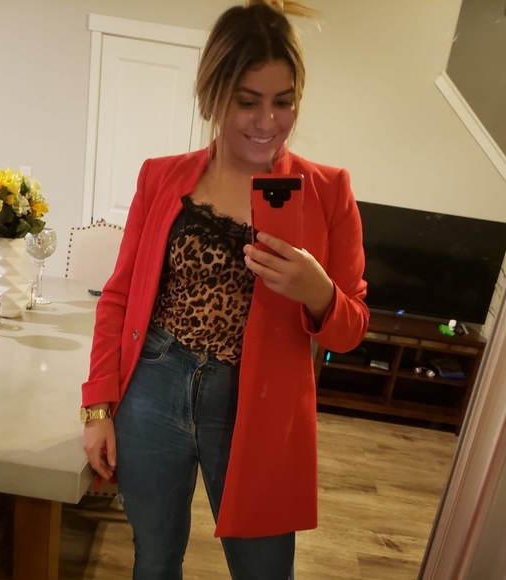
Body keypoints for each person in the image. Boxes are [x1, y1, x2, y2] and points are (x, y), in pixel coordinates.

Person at [81, 0, 369, 578]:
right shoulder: (162, 176)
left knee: (264, 569)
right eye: (247, 100)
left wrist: (317, 291)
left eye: (283, 101)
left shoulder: (327, 191)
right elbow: (119, 296)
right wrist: (97, 407)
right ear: (212, 95)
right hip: (153, 384)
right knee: (154, 557)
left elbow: (351, 329)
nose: (267, 121)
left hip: (257, 403)